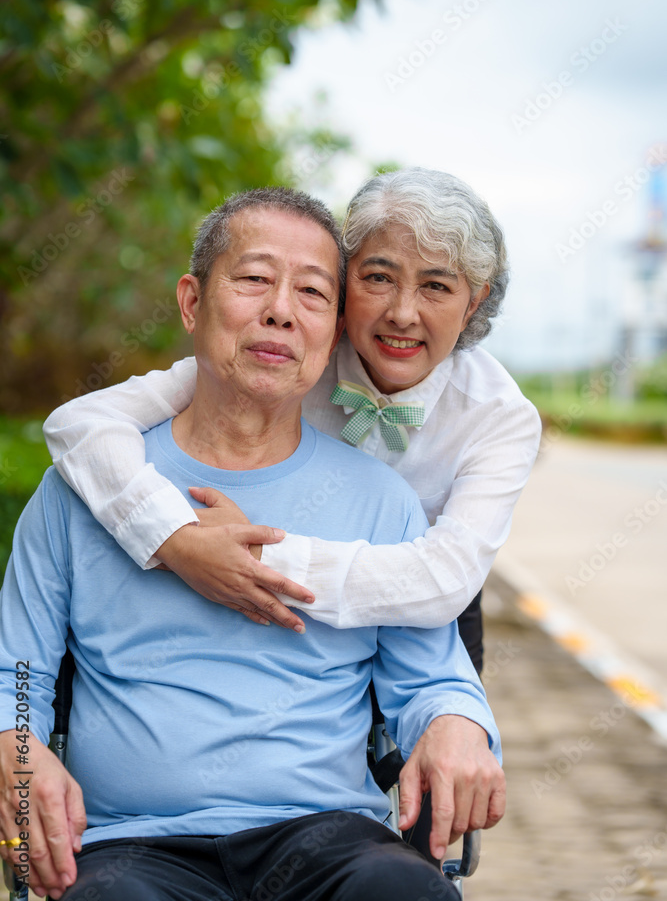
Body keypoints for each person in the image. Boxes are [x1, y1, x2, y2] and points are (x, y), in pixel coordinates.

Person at [0, 187, 504, 901]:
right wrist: (15, 752)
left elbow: (430, 679)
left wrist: (456, 721)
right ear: (191, 303)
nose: (279, 310)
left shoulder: (380, 500)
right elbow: (15, 675)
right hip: (131, 846)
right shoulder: (80, 491)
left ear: (332, 333)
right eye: (254, 279)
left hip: (328, 839)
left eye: (310, 292)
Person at [43, 168, 542, 670]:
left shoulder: (499, 416)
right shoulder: (286, 355)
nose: (403, 314)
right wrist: (173, 536)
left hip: (420, 618)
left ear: (474, 301)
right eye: (379, 278)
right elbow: (81, 423)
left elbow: (445, 580)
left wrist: (260, 560)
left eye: (435, 286)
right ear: (344, 285)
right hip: (259, 615)